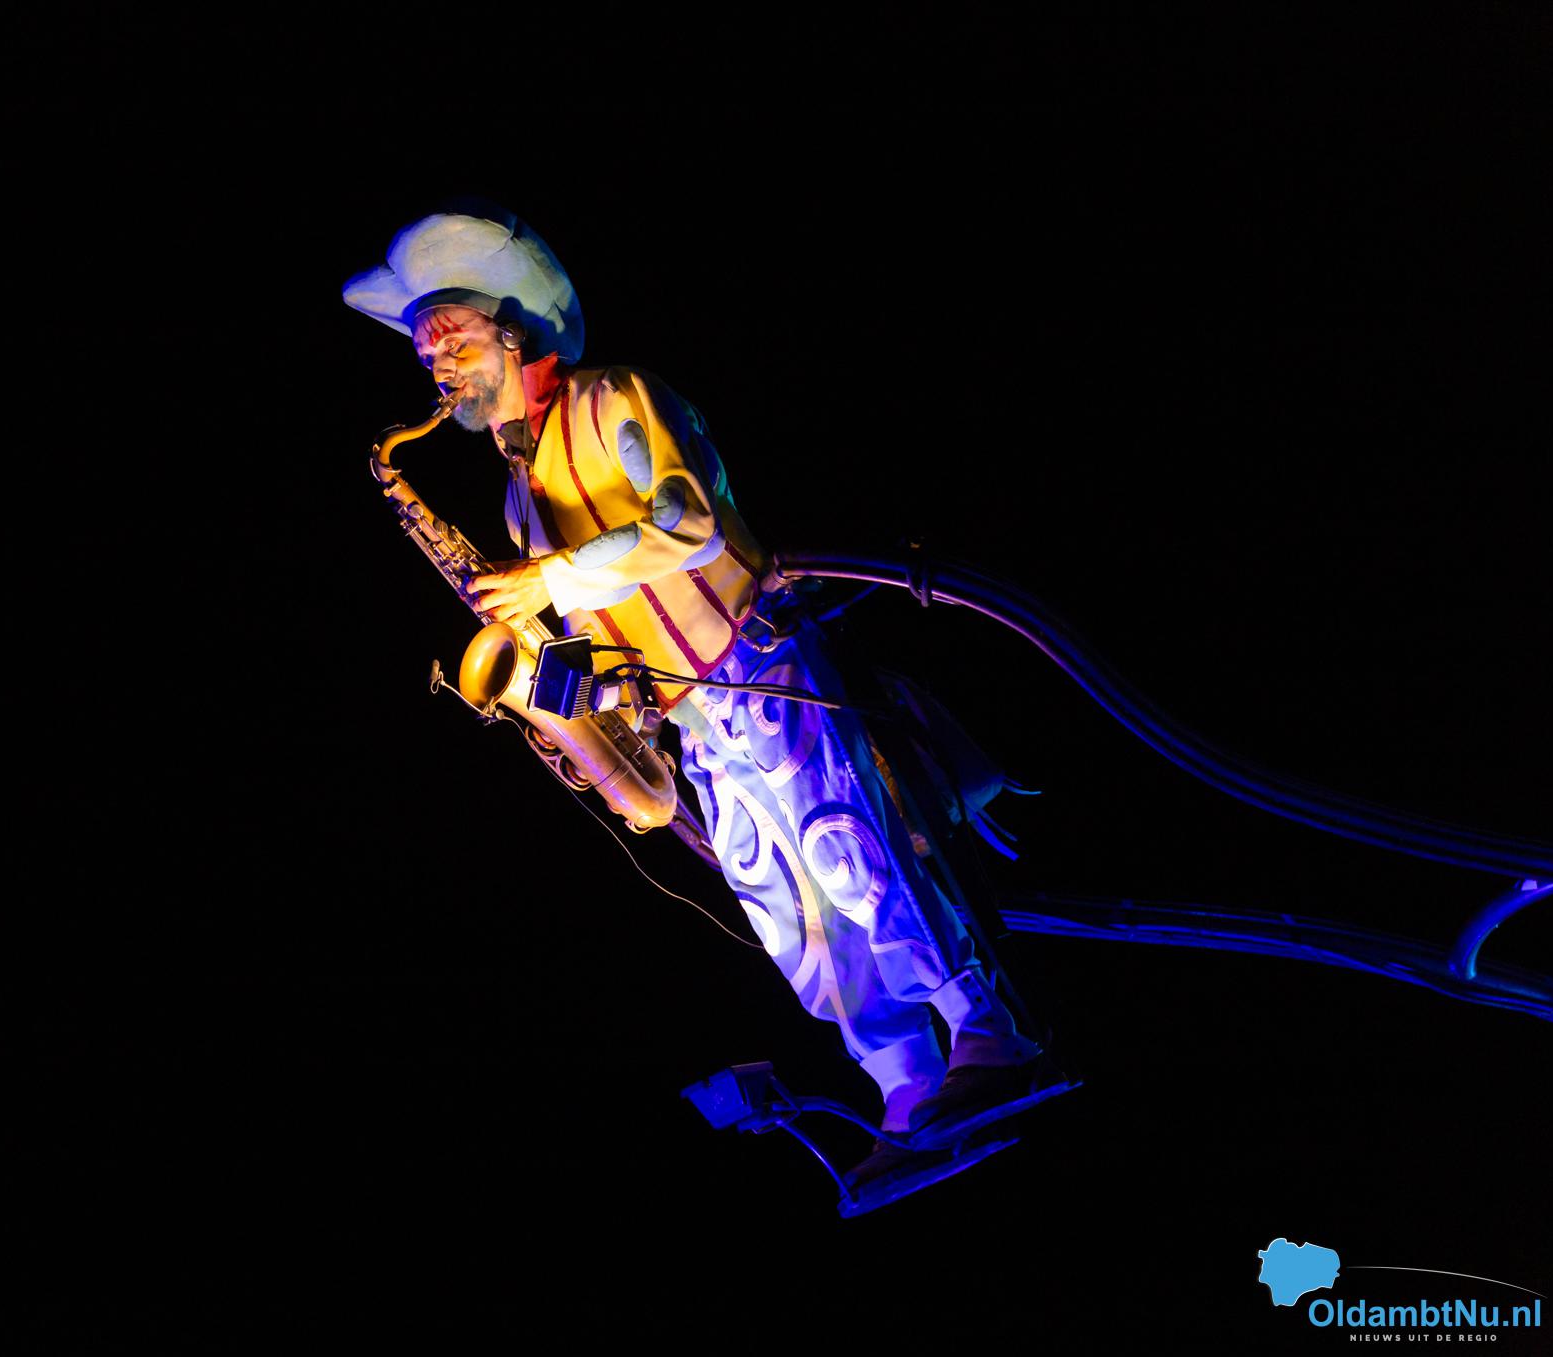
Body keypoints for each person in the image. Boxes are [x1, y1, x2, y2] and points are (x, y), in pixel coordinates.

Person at [343, 208, 1062, 1194]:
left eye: (452, 339)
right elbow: (592, 622)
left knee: (857, 855)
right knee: (792, 920)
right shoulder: (513, 496)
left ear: (510, 332)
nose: (439, 365)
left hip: (758, 665)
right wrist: (574, 693)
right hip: (691, 719)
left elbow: (685, 526)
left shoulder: (612, 397)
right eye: (427, 352)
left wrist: (548, 577)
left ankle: (992, 1035)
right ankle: (906, 1088)